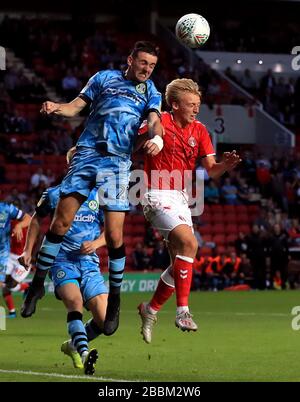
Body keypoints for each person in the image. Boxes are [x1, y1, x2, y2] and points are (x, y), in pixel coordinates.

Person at [21, 41, 164, 337]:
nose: (147, 69)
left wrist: (157, 139)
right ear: (130, 59)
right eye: (143, 63)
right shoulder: (103, 78)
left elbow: (154, 120)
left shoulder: (151, 91)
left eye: (151, 65)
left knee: (113, 235)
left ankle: (115, 301)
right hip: (87, 153)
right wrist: (57, 107)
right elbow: (76, 105)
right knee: (61, 221)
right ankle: (36, 286)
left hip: (117, 163)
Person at [137, 78, 241, 343]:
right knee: (189, 243)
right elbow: (135, 141)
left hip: (182, 198)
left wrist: (225, 166)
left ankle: (150, 309)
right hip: (154, 192)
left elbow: (212, 170)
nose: (196, 109)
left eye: (198, 104)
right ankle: (183, 311)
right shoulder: (158, 121)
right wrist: (149, 140)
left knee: (179, 263)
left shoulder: (201, 131)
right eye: (191, 104)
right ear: (174, 104)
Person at [19, 147, 108, 375]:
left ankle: (73, 345)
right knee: (75, 302)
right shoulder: (54, 194)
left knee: (105, 319)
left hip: (89, 262)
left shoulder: (98, 195)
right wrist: (28, 250)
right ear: (72, 166)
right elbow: (37, 221)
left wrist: (96, 244)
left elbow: (112, 232)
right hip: (61, 260)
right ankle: (85, 353)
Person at [0, 199, 31, 314]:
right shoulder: (7, 223)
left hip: (22, 259)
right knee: (5, 286)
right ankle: (12, 312)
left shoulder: (25, 224)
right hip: (8, 257)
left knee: (11, 285)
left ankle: (28, 287)